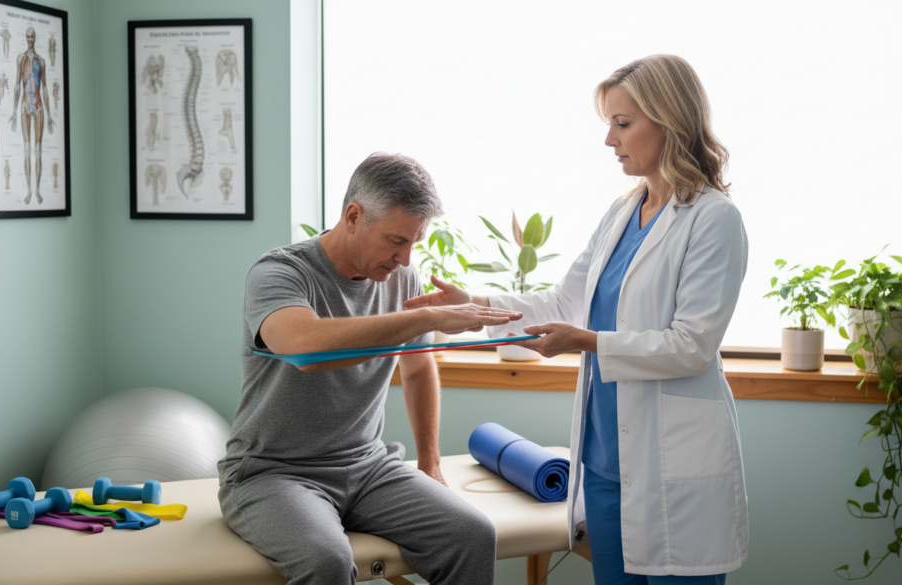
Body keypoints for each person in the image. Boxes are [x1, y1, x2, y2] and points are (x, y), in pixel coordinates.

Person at [405, 55, 749, 583]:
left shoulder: (713, 219)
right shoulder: (621, 212)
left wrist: (584, 341)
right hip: (605, 463)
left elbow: (691, 345)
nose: (610, 140)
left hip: (670, 464)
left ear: (669, 121)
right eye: (609, 123)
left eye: (623, 123)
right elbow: (564, 303)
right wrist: (471, 305)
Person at [218, 153, 520, 585]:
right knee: (326, 561)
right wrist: (426, 318)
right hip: (272, 473)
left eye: (414, 242)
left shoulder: (402, 279)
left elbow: (417, 368)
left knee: (472, 534)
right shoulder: (279, 272)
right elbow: (306, 348)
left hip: (367, 467)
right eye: (396, 240)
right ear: (353, 216)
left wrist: (430, 463)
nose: (405, 258)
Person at [9, 27, 54, 206]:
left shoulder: (41, 61)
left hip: (39, 106)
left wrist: (49, 115)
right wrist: (14, 111)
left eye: (32, 36)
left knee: (38, 150)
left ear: (35, 38)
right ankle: (28, 190)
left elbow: (45, 89)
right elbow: (16, 85)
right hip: (25, 105)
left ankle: (37, 190)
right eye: (28, 36)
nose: (30, 39)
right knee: (27, 150)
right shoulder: (21, 59)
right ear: (26, 38)